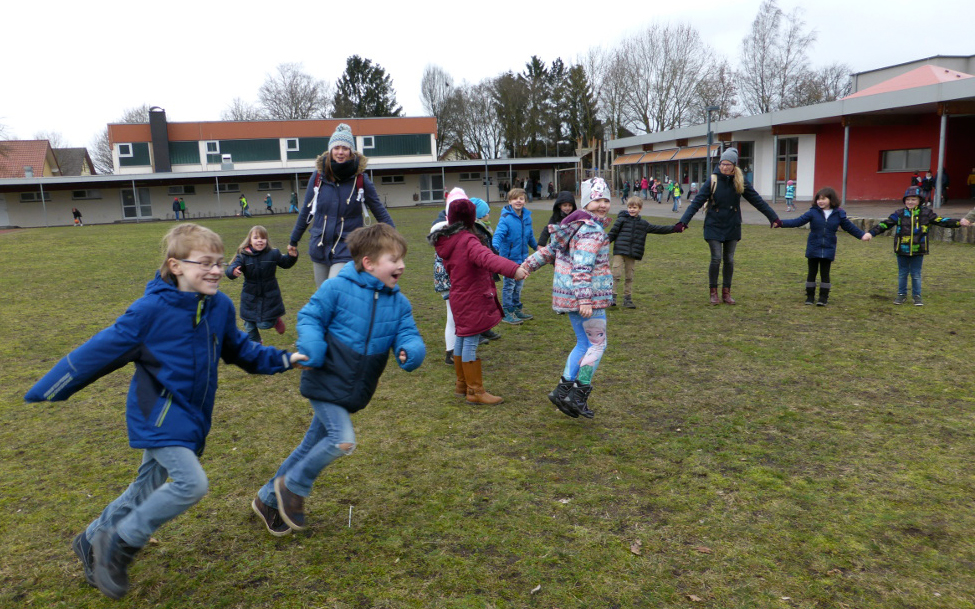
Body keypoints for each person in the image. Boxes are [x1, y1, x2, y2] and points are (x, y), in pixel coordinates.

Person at [24, 224, 307, 599]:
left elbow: (241, 350)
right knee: (192, 484)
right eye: (204, 263)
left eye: (219, 263)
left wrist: (285, 359)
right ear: (175, 265)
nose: (214, 270)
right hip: (156, 413)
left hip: (191, 416)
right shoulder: (149, 311)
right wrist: (49, 387)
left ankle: (91, 538)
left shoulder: (219, 306)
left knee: (146, 488)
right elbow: (99, 350)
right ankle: (117, 544)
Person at [254, 223, 424, 535]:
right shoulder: (337, 287)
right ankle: (293, 486)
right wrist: (313, 346)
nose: (401, 265)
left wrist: (410, 350)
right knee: (342, 440)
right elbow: (309, 316)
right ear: (369, 263)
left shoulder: (399, 303)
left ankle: (267, 499)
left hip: (354, 388)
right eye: (393, 259)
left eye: (402, 259)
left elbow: (408, 333)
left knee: (310, 445)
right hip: (325, 378)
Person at [523, 177, 614, 419]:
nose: (602, 204)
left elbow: (550, 251)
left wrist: (527, 266)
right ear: (586, 202)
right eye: (596, 200)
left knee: (583, 344)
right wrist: (585, 299)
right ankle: (577, 395)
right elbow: (582, 268)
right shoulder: (591, 229)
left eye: (606, 199)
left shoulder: (572, 225)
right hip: (586, 299)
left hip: (569, 297)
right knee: (597, 344)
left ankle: (562, 390)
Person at [430, 188, 527, 405]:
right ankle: (475, 391)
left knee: (462, 338)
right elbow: (487, 258)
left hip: (458, 296)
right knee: (471, 340)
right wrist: (514, 269)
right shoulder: (468, 240)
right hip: (472, 297)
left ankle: (462, 384)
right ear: (471, 218)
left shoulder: (448, 240)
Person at [289, 123, 395, 288]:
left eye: (345, 148)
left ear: (351, 151)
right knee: (324, 298)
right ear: (330, 150)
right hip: (320, 246)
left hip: (347, 248)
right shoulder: (318, 178)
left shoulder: (360, 180)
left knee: (333, 287)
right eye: (336, 147)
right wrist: (293, 240)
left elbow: (379, 210)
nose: (340, 152)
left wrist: (394, 238)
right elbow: (306, 211)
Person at [674, 148, 781, 305]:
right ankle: (713, 293)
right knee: (716, 258)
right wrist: (683, 221)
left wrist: (773, 217)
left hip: (732, 224)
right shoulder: (713, 180)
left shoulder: (740, 180)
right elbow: (696, 202)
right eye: (722, 164)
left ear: (734, 165)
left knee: (729, 259)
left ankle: (726, 292)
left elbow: (756, 200)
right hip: (714, 224)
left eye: (728, 164)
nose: (724, 167)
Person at [866, 186, 968, 306]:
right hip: (901, 249)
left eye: (913, 199)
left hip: (918, 249)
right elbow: (885, 224)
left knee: (916, 274)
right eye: (908, 199)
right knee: (902, 273)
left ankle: (917, 296)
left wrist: (958, 222)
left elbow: (942, 221)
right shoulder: (899, 214)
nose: (910, 202)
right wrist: (871, 233)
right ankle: (901, 294)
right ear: (904, 201)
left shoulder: (926, 213)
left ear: (920, 200)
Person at [776, 186, 868, 306]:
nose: (820, 201)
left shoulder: (839, 214)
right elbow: (797, 221)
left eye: (823, 199)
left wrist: (862, 235)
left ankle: (823, 298)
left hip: (828, 248)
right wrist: (781, 223)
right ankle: (809, 297)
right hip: (814, 247)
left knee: (825, 274)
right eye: (818, 199)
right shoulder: (813, 212)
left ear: (831, 199)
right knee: (812, 273)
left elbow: (849, 227)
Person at [225, 225, 298, 343]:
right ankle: (256, 344)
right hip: (250, 295)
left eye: (263, 238)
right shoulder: (243, 255)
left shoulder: (273, 253)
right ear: (250, 240)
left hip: (269, 294)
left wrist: (292, 256)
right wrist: (232, 271)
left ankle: (275, 320)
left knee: (264, 324)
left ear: (266, 240)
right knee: (249, 324)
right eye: (256, 238)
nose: (260, 240)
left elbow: (285, 263)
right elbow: (232, 266)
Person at [608, 196, 677, 308]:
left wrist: (674, 228)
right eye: (630, 207)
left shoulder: (643, 224)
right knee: (615, 274)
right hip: (619, 252)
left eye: (634, 207)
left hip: (632, 253)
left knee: (629, 277)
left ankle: (627, 299)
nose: (631, 210)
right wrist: (602, 243)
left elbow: (658, 229)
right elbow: (612, 234)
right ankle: (611, 297)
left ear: (640, 208)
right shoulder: (621, 220)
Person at [492, 187, 538, 324]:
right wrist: (494, 248)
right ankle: (506, 311)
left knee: (519, 286)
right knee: (509, 285)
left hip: (522, 258)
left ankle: (516, 308)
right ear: (509, 201)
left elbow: (530, 236)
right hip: (509, 259)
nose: (518, 201)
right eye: (515, 198)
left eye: (521, 198)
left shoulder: (527, 217)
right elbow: (498, 235)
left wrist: (537, 248)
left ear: (525, 201)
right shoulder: (505, 218)